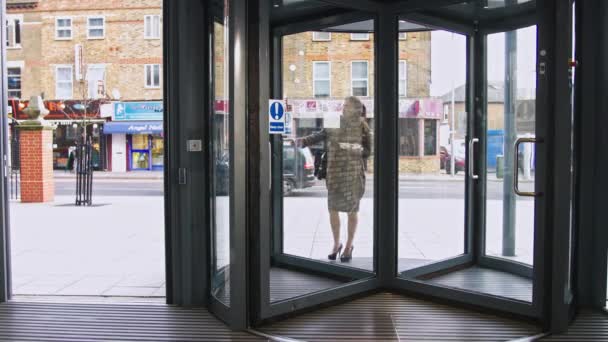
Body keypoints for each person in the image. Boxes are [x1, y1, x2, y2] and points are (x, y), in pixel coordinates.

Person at [298, 96, 371, 262]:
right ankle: (336, 243)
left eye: (347, 106)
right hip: (334, 173)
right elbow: (322, 134)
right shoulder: (334, 120)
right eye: (343, 105)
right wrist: (304, 141)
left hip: (353, 176)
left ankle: (349, 246)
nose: (343, 108)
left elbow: (367, 151)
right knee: (333, 209)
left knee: (352, 211)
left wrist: (349, 147)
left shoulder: (362, 125)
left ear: (356, 109)